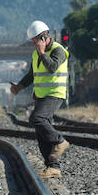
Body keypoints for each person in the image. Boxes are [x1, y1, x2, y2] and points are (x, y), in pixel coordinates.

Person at [10, 20, 70, 179]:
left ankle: (59, 141)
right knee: (41, 132)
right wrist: (19, 87)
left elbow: (52, 68)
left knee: (37, 118)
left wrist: (43, 52)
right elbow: (32, 75)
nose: (33, 43)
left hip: (55, 93)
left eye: (35, 40)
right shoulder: (36, 53)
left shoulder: (59, 50)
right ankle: (53, 167)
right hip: (41, 95)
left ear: (44, 37)